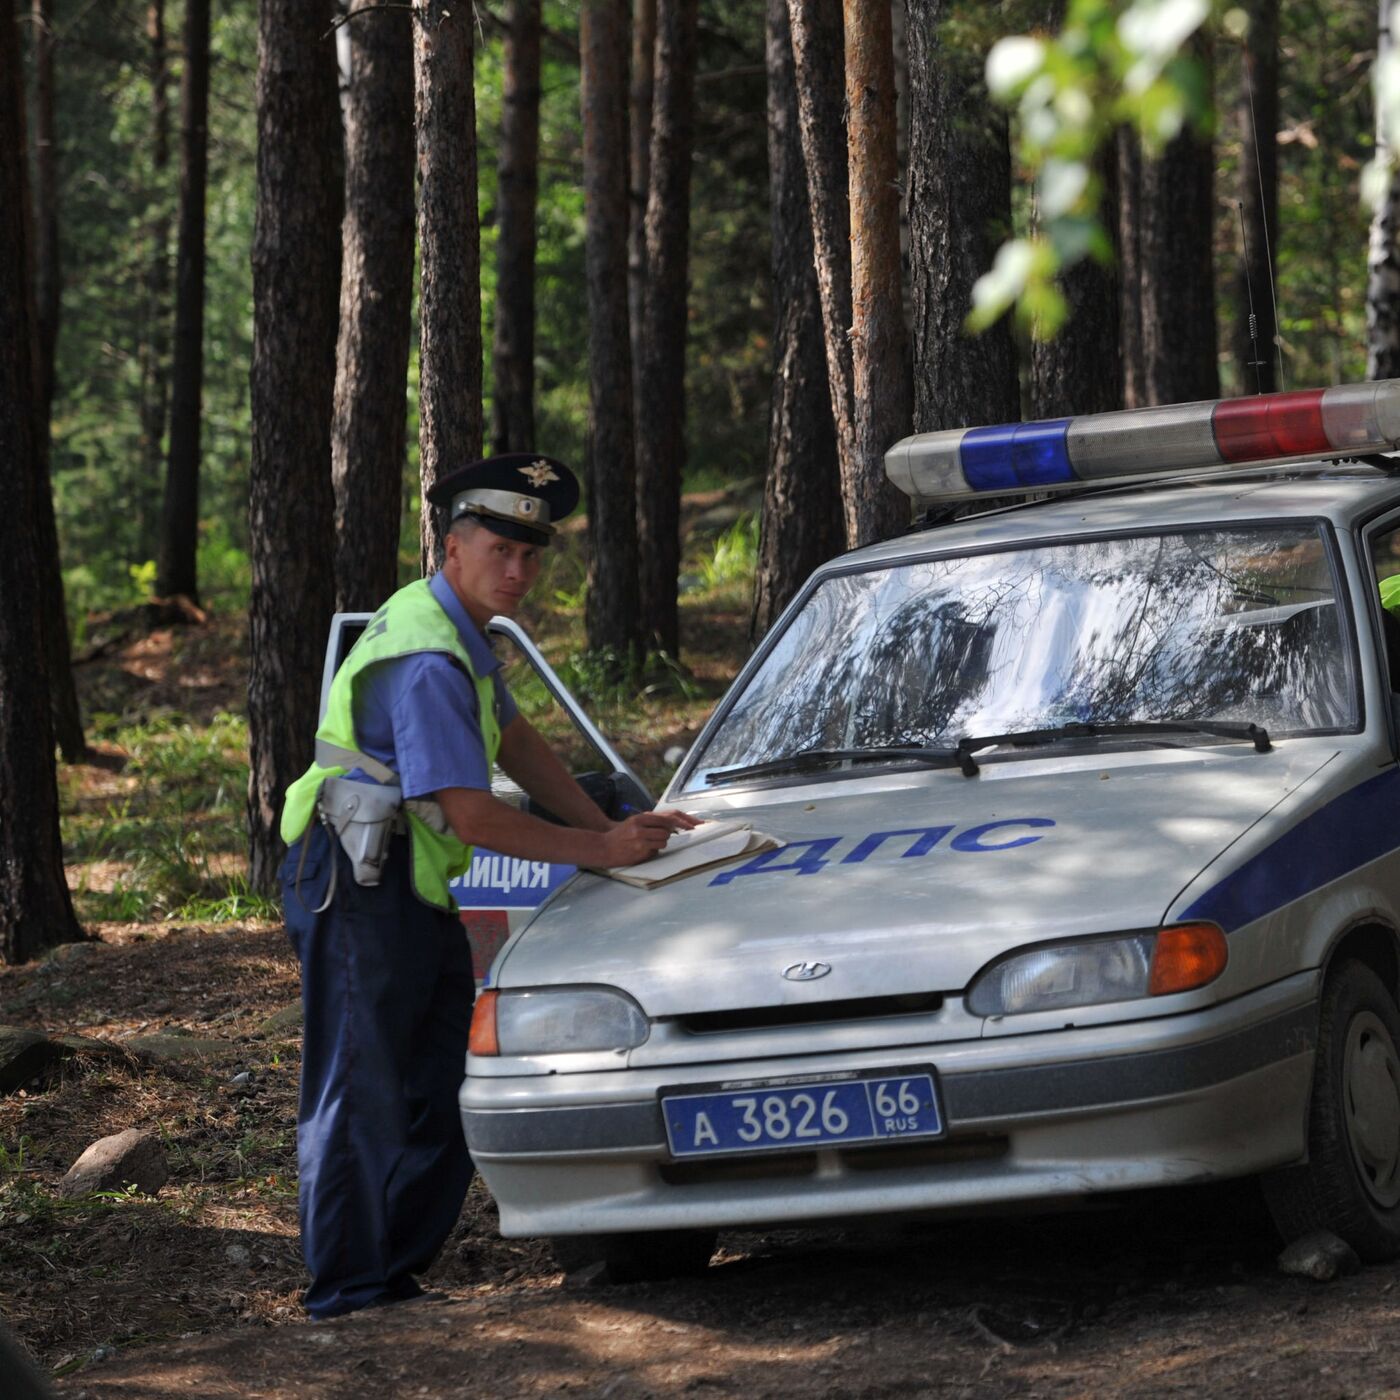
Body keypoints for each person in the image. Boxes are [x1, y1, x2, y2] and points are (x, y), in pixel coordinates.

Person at [277, 452, 697, 1318]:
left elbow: (513, 740)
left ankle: (390, 1275)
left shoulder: (453, 629)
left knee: (436, 1082)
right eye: (499, 550)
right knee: (362, 1087)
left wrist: (616, 828)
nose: (517, 571)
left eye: (531, 555)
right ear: (453, 545)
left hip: (403, 880)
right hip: (359, 886)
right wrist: (599, 850)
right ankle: (349, 1292)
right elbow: (471, 815)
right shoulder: (429, 658)